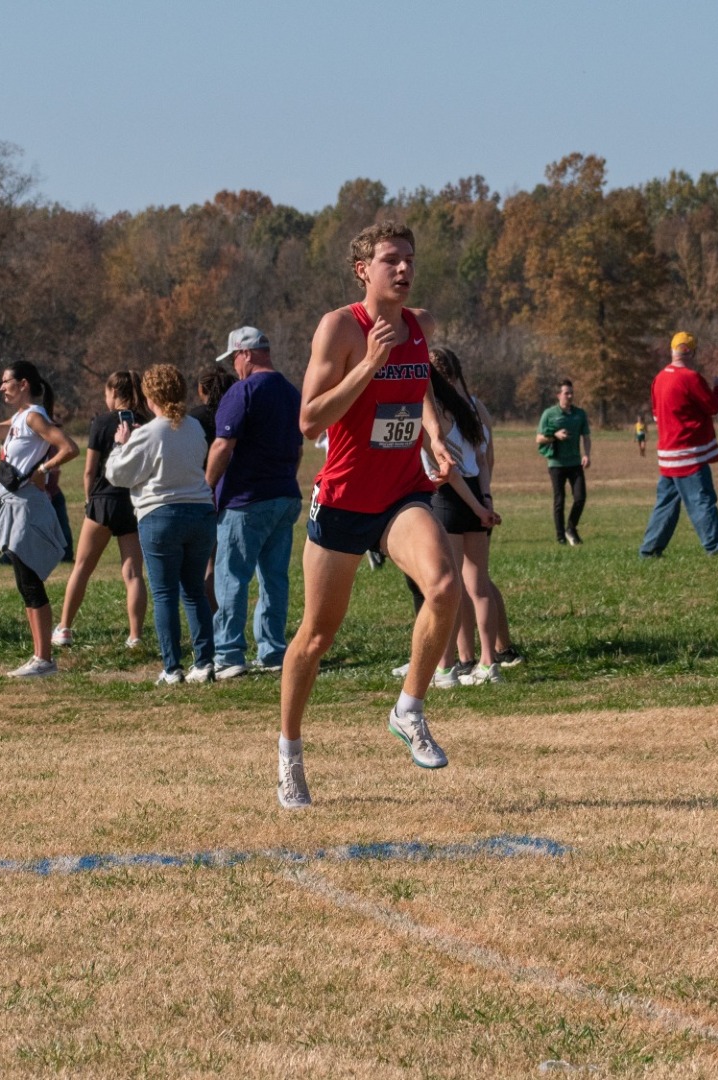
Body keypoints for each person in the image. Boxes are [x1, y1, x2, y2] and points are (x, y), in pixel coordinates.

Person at [277, 220, 460, 809]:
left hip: (400, 493)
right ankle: (289, 756)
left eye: (409, 258)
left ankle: (409, 706)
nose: (403, 269)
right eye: (391, 261)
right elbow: (310, 421)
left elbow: (418, 389)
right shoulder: (340, 328)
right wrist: (368, 364)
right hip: (343, 499)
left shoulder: (420, 326)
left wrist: (432, 434)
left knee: (444, 584)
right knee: (316, 636)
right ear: (364, 270)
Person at [105, 364, 217, 684]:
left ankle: (172, 668)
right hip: (201, 513)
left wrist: (121, 444)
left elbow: (118, 474)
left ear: (149, 396)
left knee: (165, 593)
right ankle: (204, 662)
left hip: (161, 515)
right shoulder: (195, 427)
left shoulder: (148, 432)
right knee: (194, 591)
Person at [0, 361, 81, 678]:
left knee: (30, 580)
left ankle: (44, 660)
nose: (1, 387)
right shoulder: (19, 418)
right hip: (15, 504)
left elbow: (69, 447)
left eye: (5, 383)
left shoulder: (34, 417)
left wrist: (42, 471)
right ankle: (39, 657)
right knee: (24, 582)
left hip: (28, 505)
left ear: (22, 384)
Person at [206, 326, 303, 679]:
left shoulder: (242, 391)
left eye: (234, 357)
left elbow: (222, 445)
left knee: (232, 576)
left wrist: (207, 488)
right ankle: (274, 650)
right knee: (273, 578)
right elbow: (298, 449)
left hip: (245, 499)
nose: (234, 366)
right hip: (284, 494)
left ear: (246, 353)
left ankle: (230, 653)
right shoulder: (292, 393)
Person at [427, 348, 508, 685]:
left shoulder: (437, 412)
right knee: (479, 586)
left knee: (450, 588)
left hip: (448, 498)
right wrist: (484, 500)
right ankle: (488, 664)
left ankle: (446, 668)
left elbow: (449, 471)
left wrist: (476, 507)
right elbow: (485, 461)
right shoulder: (473, 408)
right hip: (476, 493)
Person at [57, 371, 150, 650]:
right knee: (133, 573)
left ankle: (64, 628)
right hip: (132, 503)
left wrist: (89, 500)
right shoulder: (145, 422)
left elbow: (89, 469)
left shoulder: (101, 422)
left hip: (102, 500)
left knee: (82, 568)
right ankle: (135, 636)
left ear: (113, 392)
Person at [640, 332, 718, 556]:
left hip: (667, 452)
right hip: (689, 453)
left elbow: (656, 416)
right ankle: (716, 547)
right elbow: (715, 408)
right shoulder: (691, 378)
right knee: (701, 500)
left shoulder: (659, 378)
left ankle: (650, 549)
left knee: (666, 504)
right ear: (691, 352)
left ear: (673, 350)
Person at [535, 379, 591, 545]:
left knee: (580, 497)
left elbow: (586, 437)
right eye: (566, 393)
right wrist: (555, 436)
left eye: (571, 392)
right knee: (559, 500)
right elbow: (538, 438)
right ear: (558, 395)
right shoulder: (549, 414)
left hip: (575, 463)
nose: (570, 396)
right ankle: (560, 537)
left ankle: (570, 528)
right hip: (556, 464)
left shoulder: (579, 414)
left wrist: (587, 454)